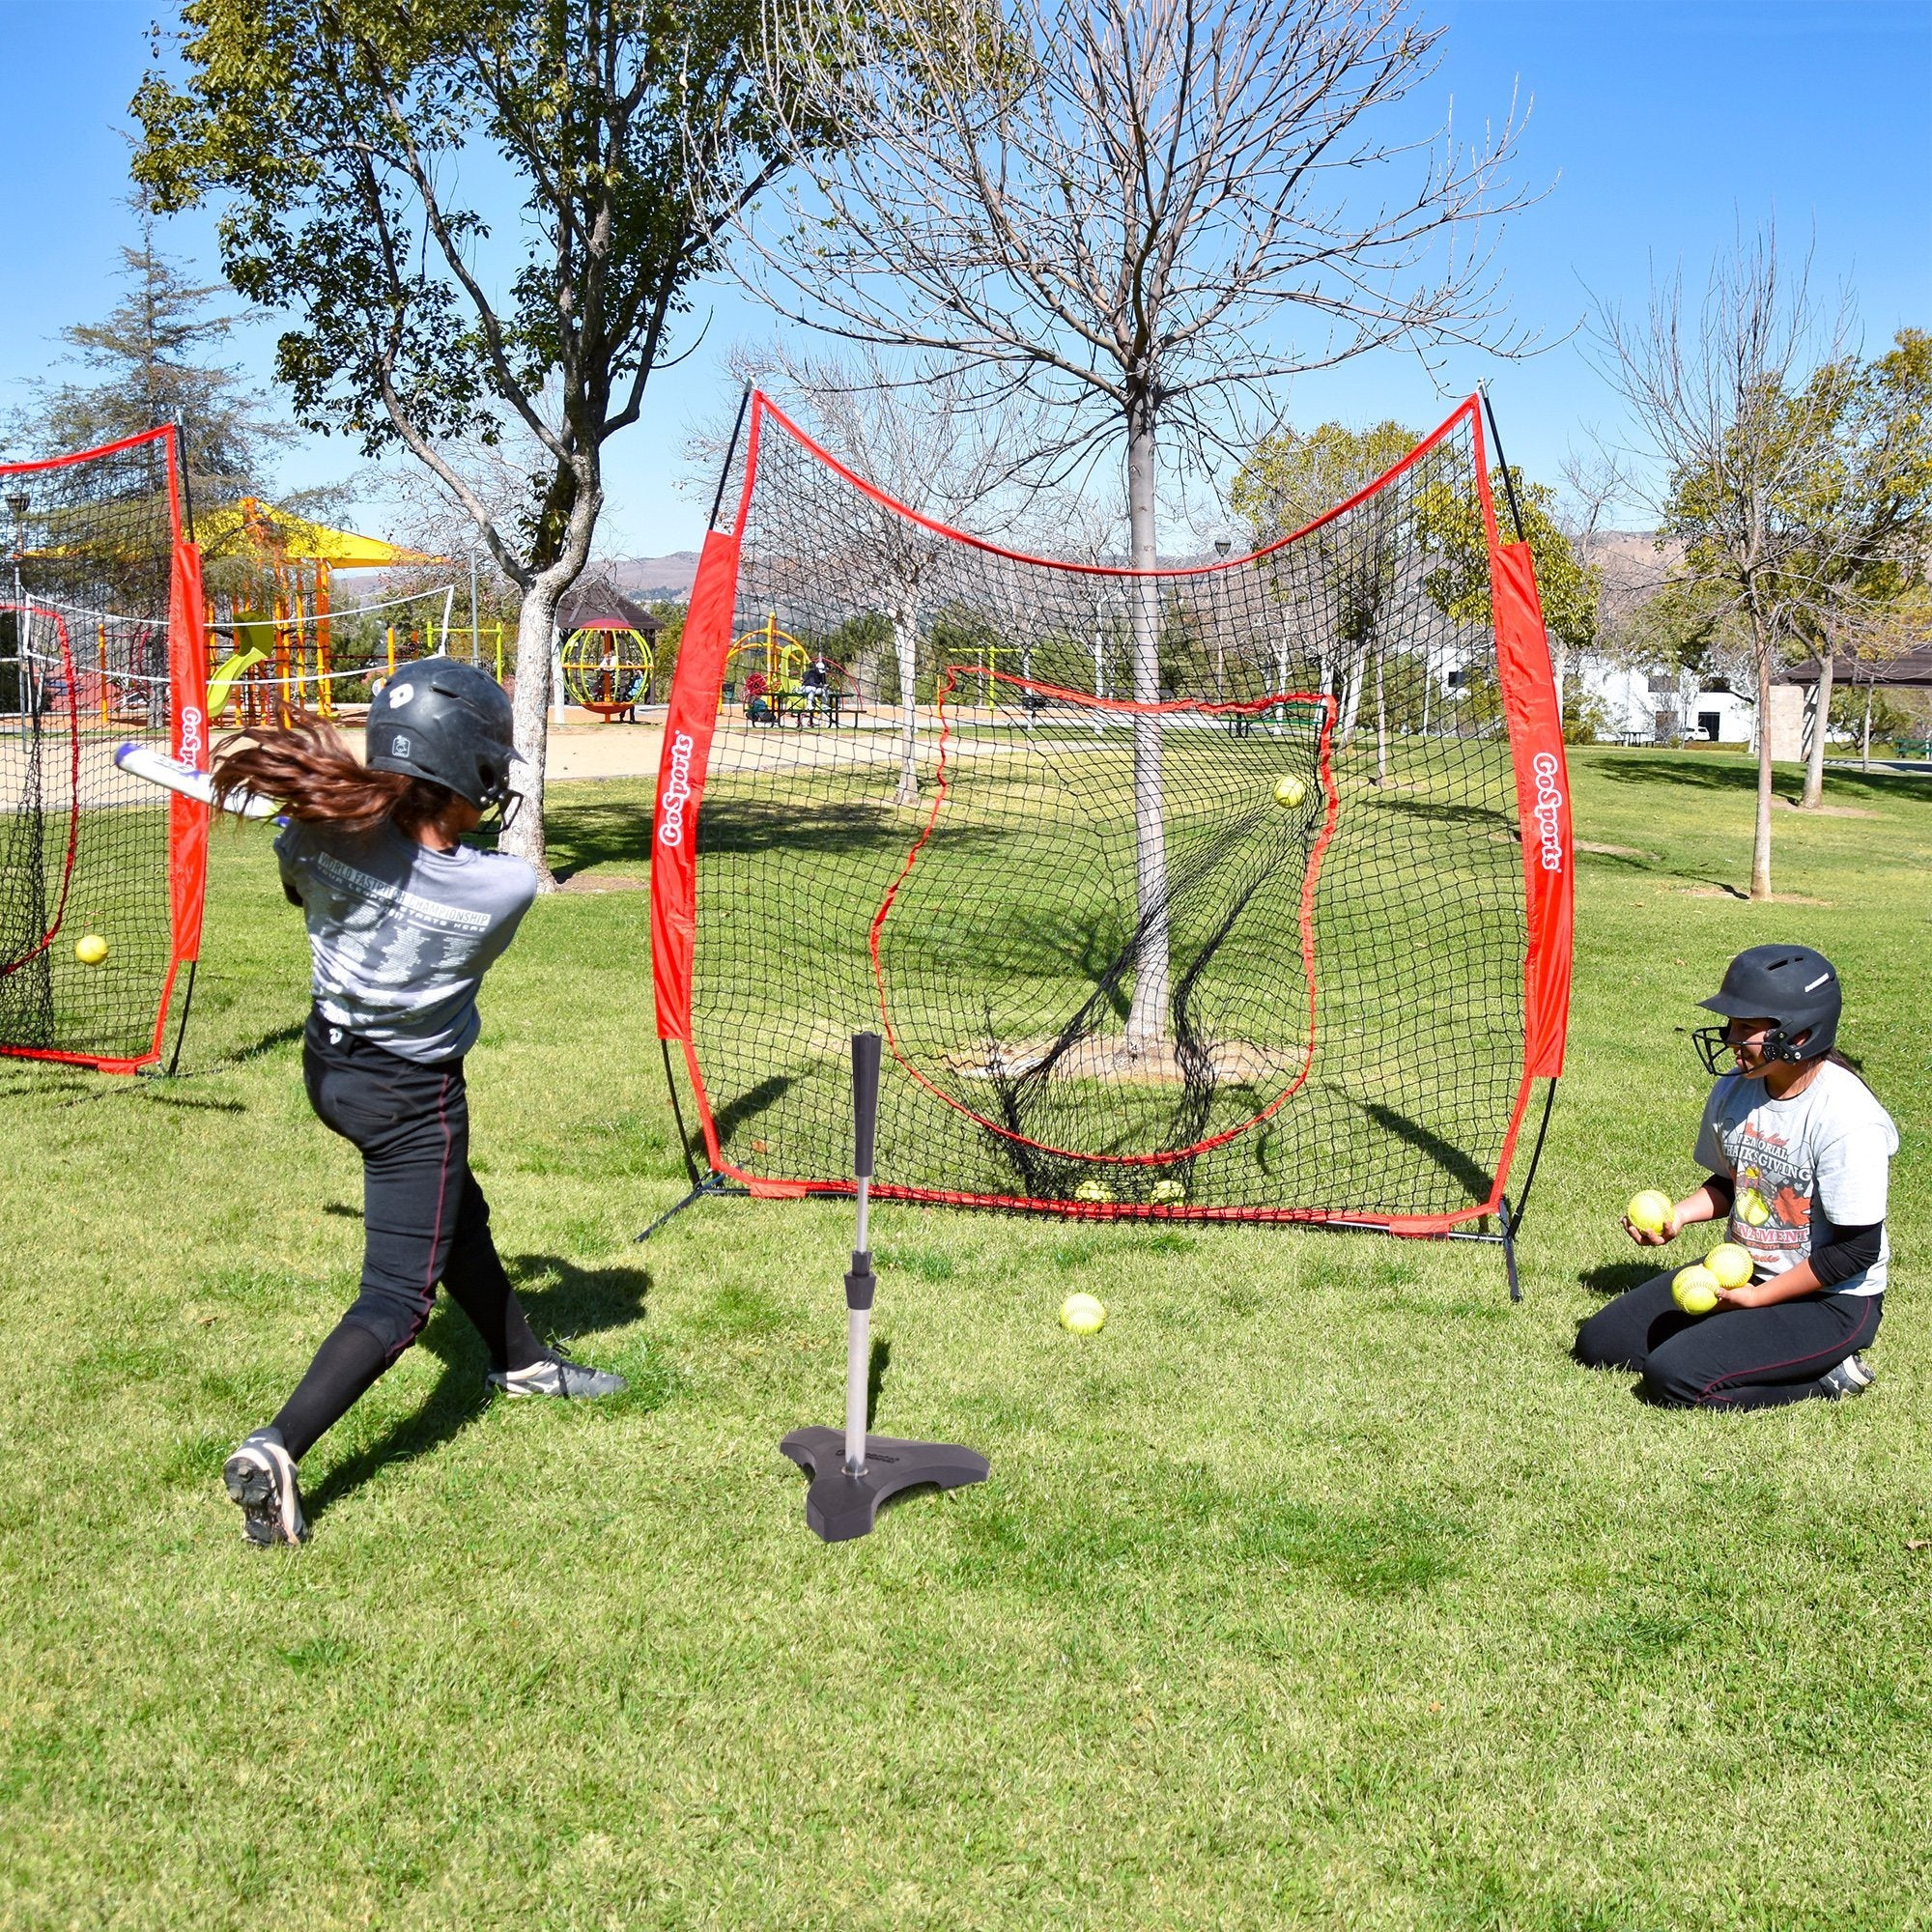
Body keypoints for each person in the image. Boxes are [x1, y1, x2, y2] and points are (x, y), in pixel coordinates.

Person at [213, 659, 625, 1547]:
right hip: (411, 1096)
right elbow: (438, 862)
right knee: (398, 1299)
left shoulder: (318, 840)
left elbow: (301, 886)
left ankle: (518, 1362)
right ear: (463, 772)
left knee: (453, 1214)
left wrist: (326, 829)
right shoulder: (501, 888)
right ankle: (278, 1446)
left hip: (332, 1069)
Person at [1575, 944, 1895, 1409]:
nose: (1729, 1039)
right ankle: (1739, 1335)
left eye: (1746, 1028)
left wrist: (1759, 1300)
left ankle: (1828, 1378)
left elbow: (1856, 1249)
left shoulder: (1848, 1118)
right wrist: (1679, 1217)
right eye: (1731, 1024)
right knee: (1601, 1345)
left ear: (1800, 1035)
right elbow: (1734, 1182)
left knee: (1675, 1379)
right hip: (1746, 1271)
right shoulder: (1735, 1087)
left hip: (1829, 1300)